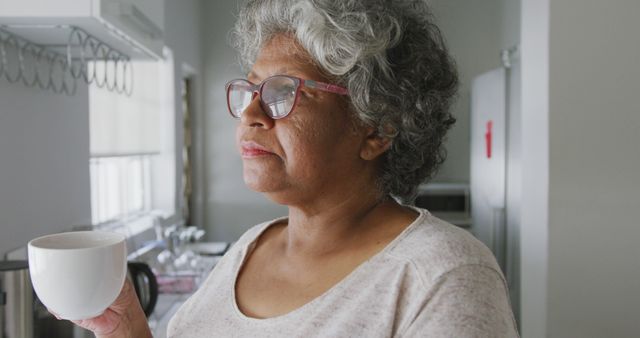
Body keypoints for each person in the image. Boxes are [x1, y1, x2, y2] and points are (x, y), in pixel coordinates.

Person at [64, 0, 519, 337]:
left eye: (284, 92)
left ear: (377, 128)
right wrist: (125, 327)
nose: (250, 114)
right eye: (252, 89)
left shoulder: (443, 277)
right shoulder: (248, 249)